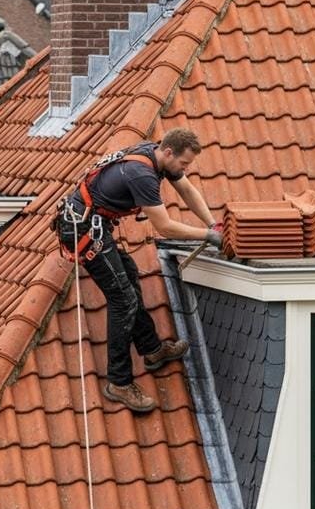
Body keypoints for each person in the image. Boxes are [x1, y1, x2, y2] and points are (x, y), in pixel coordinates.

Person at [55, 128, 222, 413]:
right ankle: (119, 383)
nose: (185, 169)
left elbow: (186, 189)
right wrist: (207, 237)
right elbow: (165, 226)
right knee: (123, 299)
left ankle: (152, 349)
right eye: (183, 163)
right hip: (81, 228)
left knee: (129, 274)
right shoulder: (141, 174)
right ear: (169, 152)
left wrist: (211, 223)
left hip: (92, 223)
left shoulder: (156, 155)